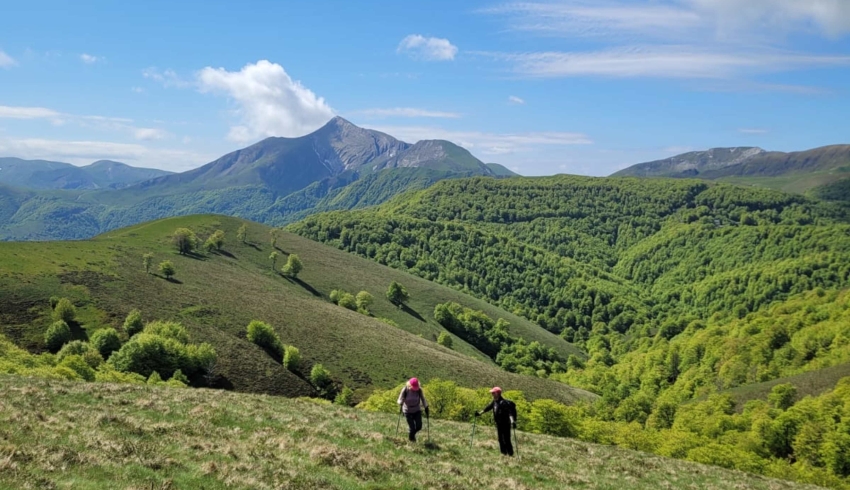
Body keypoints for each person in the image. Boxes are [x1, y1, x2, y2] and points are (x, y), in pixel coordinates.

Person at [475, 386, 517, 456]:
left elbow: (510, 413)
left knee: (506, 439)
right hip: (499, 424)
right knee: (500, 439)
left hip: (506, 424)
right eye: (492, 393)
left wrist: (512, 422)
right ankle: (503, 454)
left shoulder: (503, 403)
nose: (492, 394)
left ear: (498, 393)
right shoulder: (494, 402)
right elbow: (487, 408)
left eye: (493, 393)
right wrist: (479, 413)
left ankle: (510, 454)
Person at [397, 377, 429, 442]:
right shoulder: (405, 389)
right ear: (409, 385)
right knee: (412, 428)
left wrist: (426, 407)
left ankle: (411, 434)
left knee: (419, 426)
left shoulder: (419, 390)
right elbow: (399, 400)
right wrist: (401, 402)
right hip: (407, 411)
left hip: (417, 410)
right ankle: (411, 438)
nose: (415, 389)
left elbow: (423, 399)